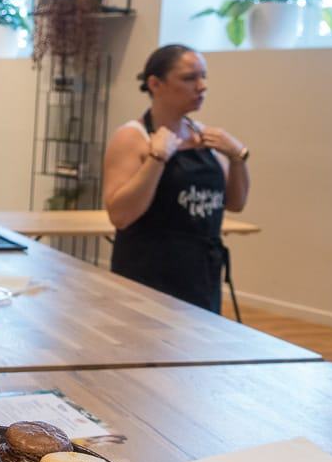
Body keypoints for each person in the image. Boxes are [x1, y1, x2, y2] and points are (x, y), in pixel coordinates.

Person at [103, 44, 251, 313]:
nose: (202, 86)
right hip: (148, 275)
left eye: (203, 76)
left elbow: (235, 203)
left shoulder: (207, 137)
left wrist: (238, 157)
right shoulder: (132, 137)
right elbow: (120, 215)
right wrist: (157, 158)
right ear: (155, 84)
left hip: (200, 276)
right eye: (189, 78)